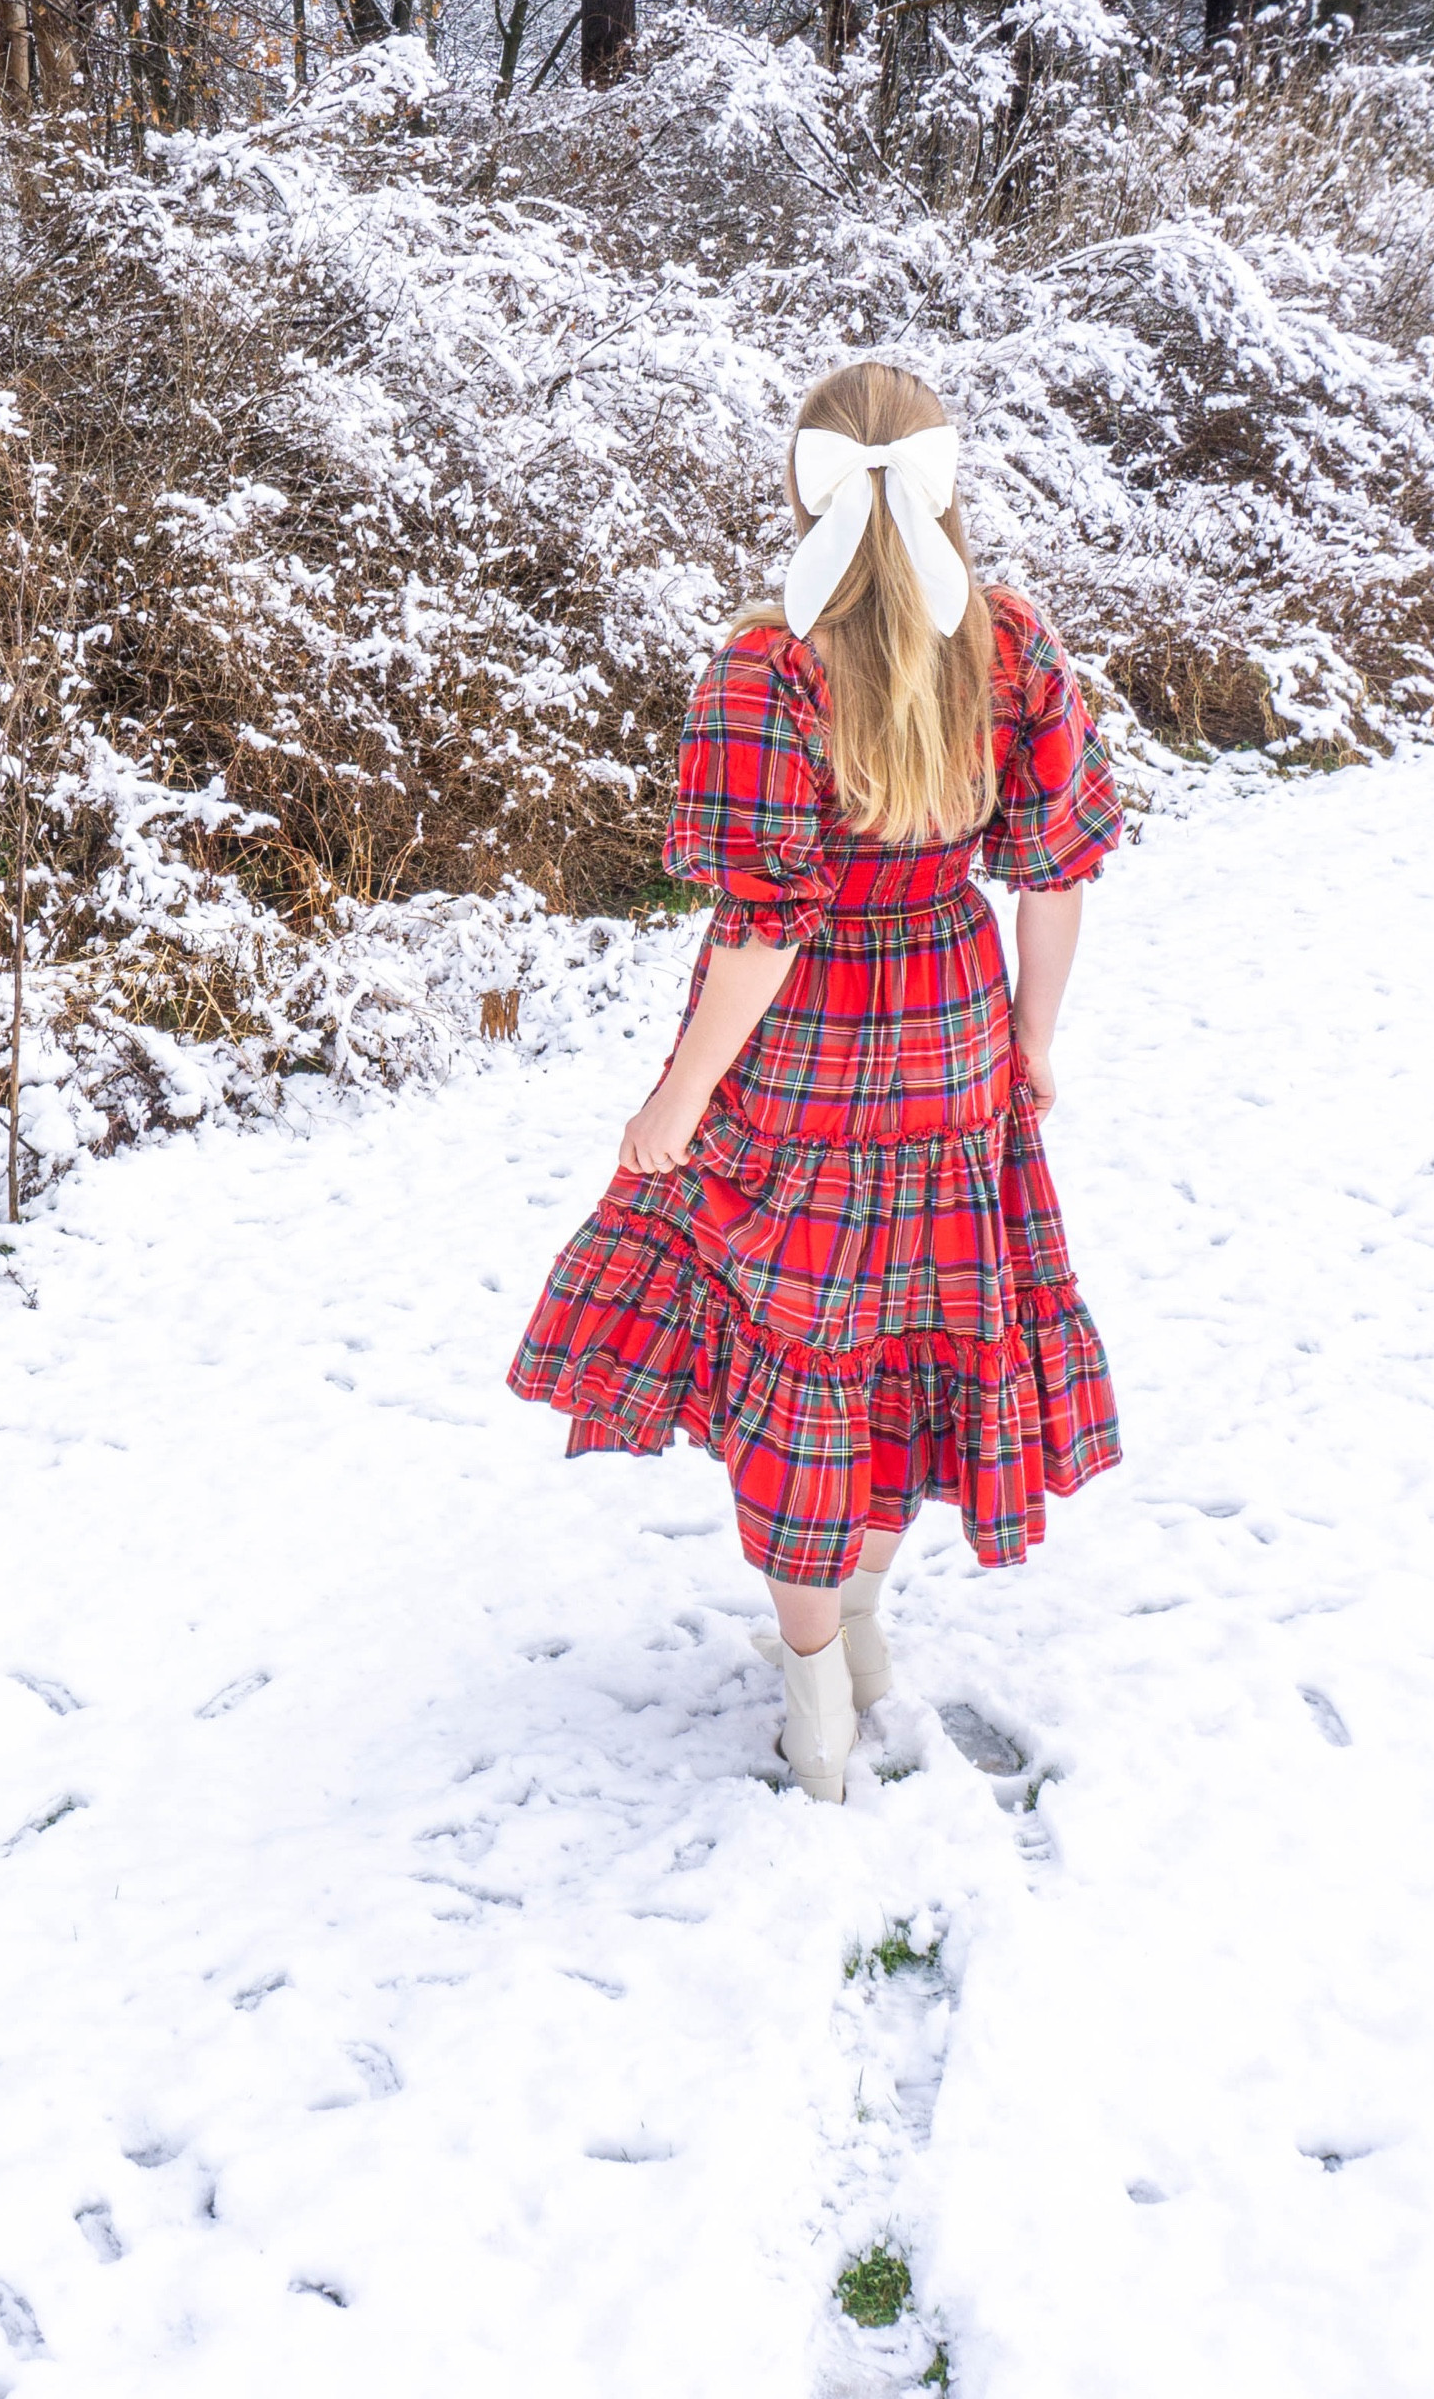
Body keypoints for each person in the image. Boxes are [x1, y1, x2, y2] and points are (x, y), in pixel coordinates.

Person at [507, 359, 1123, 1802]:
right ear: (949, 483)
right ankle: (860, 1631)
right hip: (954, 1037)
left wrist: (672, 1109)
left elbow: (766, 930)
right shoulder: (1013, 643)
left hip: (803, 1070)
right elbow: (1057, 877)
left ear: (803, 487)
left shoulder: (770, 663)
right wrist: (1033, 1042)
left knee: (804, 1373)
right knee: (913, 1338)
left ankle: (816, 1706)